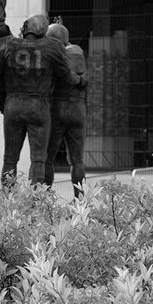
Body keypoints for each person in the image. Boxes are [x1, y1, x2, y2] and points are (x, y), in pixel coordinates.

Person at [0, 14, 86, 188]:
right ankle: (36, 202)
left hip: (13, 104)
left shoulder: (7, 45)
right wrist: (81, 80)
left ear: (24, 28)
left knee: (10, 158)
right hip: (39, 106)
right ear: (43, 32)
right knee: (38, 159)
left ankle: (8, 202)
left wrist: (1, 97)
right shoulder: (52, 48)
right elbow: (67, 77)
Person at [44, 23, 88, 198]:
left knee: (48, 158)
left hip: (57, 108)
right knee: (77, 160)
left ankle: (44, 199)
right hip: (78, 109)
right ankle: (80, 199)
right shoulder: (78, 51)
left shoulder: (53, 54)